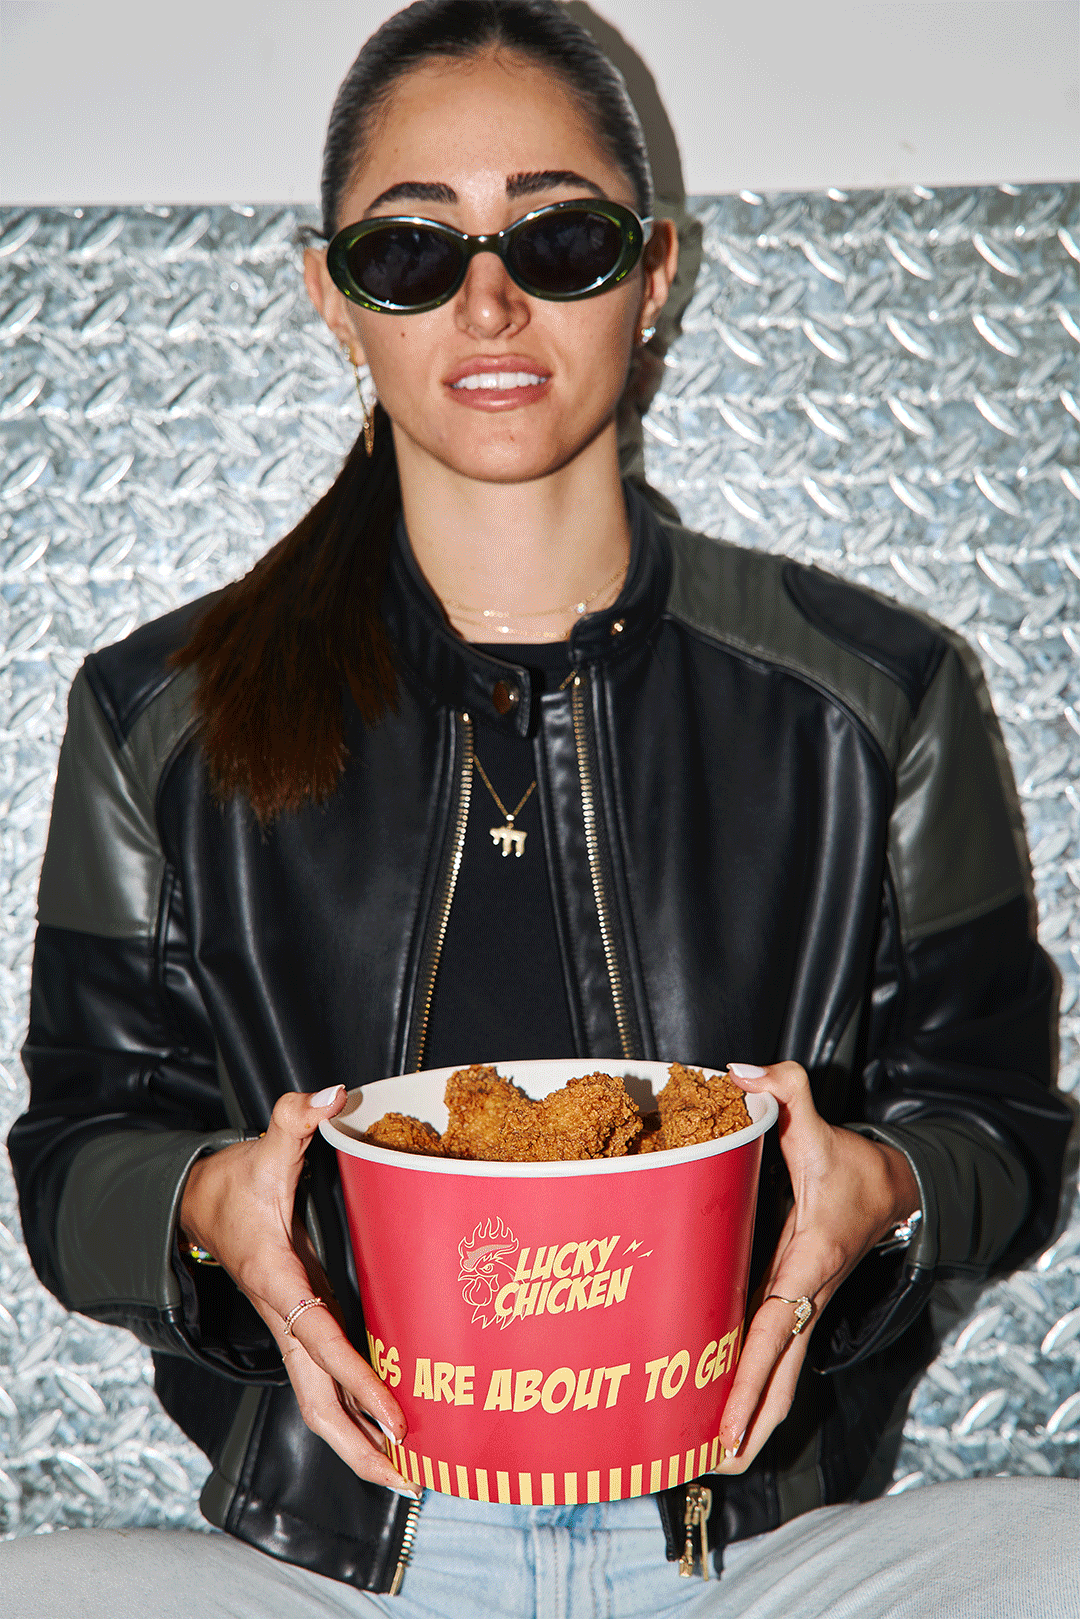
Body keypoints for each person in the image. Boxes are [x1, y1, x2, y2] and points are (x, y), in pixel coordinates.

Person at [5, 2, 1076, 1615]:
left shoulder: (877, 695)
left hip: (748, 1551)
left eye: (560, 239)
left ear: (654, 273)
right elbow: (75, 1150)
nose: (490, 300)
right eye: (411, 252)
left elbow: (1000, 1123)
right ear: (331, 296)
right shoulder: (158, 716)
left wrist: (886, 1189)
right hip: (344, 1554)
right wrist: (206, 1206)